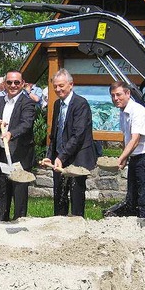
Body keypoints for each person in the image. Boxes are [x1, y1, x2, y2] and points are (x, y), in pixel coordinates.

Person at [42, 69, 97, 217]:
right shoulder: (57, 104)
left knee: (76, 196)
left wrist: (62, 156)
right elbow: (54, 132)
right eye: (55, 86)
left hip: (77, 157)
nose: (58, 89)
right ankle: (60, 225)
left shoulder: (81, 104)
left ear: (71, 85)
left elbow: (78, 135)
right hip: (60, 157)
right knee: (59, 196)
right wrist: (50, 155)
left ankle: (77, 229)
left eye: (61, 86)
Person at [0, 70, 36, 221]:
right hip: (4, 151)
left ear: (22, 84)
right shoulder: (1, 101)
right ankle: (1, 220)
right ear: (4, 84)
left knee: (19, 190)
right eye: (9, 82)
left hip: (20, 153)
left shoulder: (27, 102)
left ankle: (19, 221)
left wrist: (11, 133)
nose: (13, 85)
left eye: (16, 82)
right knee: (3, 189)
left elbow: (26, 124)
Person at [110, 81, 145, 221]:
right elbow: (126, 138)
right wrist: (125, 158)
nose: (116, 98)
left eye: (118, 94)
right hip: (135, 157)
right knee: (132, 196)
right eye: (113, 96)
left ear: (128, 93)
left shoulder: (137, 111)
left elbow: (135, 139)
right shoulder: (123, 112)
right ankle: (133, 225)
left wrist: (120, 158)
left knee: (144, 196)